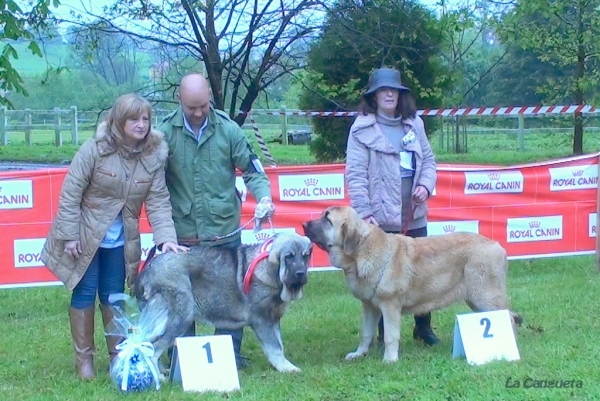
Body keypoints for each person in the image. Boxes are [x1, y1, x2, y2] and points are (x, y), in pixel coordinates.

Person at [41, 93, 188, 380]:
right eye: (134, 119)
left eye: (146, 119)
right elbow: (71, 193)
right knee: (84, 291)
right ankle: (84, 362)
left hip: (122, 239)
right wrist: (69, 235)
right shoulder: (94, 149)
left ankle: (117, 357)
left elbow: (158, 200)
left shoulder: (155, 155)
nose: (141, 124)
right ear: (118, 122)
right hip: (85, 235)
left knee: (113, 296)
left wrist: (165, 238)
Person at [157, 73, 275, 369]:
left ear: (209, 96)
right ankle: (181, 358)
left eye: (203, 106)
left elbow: (253, 170)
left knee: (232, 296)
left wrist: (263, 198)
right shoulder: (164, 133)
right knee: (180, 296)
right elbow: (153, 183)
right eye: (191, 108)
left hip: (224, 233)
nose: (198, 113)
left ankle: (229, 356)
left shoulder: (229, 130)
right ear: (179, 101)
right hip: (184, 235)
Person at [345, 67, 439, 347]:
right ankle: (386, 332)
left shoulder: (415, 124)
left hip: (414, 214)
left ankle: (424, 328)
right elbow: (356, 175)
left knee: (422, 272)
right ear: (373, 97)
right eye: (383, 90)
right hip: (380, 220)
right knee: (383, 277)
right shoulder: (360, 130)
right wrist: (364, 214)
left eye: (393, 89)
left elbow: (430, 161)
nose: (389, 94)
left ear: (400, 94)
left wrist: (425, 184)